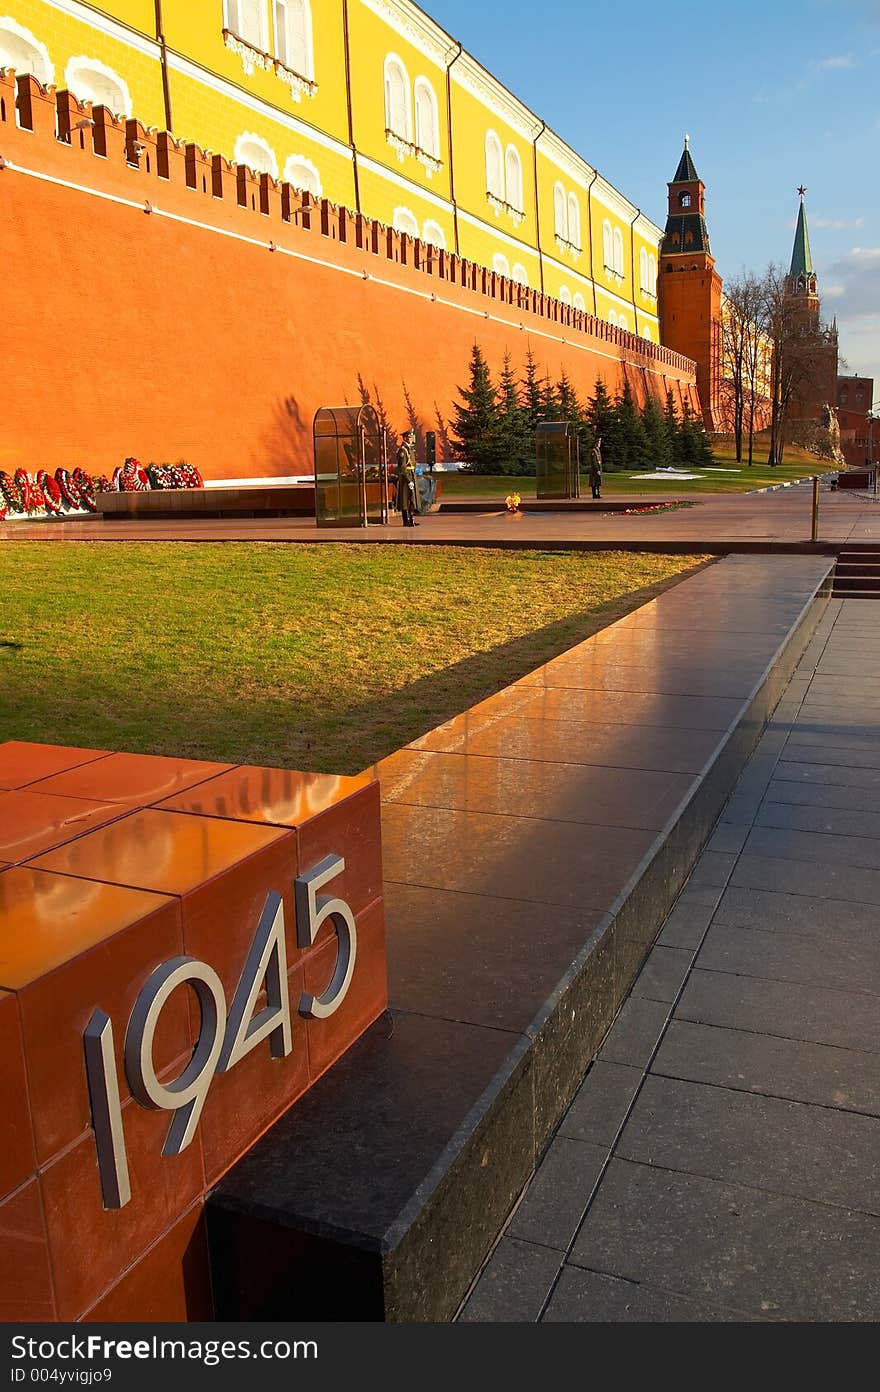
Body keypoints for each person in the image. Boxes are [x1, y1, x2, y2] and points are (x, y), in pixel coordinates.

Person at [395, 432, 418, 526]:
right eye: (409, 437)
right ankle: (406, 520)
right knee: (405, 499)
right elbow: (403, 467)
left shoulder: (410, 448)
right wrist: (408, 480)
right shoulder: (403, 450)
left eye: (411, 437)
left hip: (411, 474)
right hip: (406, 477)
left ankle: (411, 519)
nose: (411, 438)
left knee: (411, 498)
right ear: (405, 438)